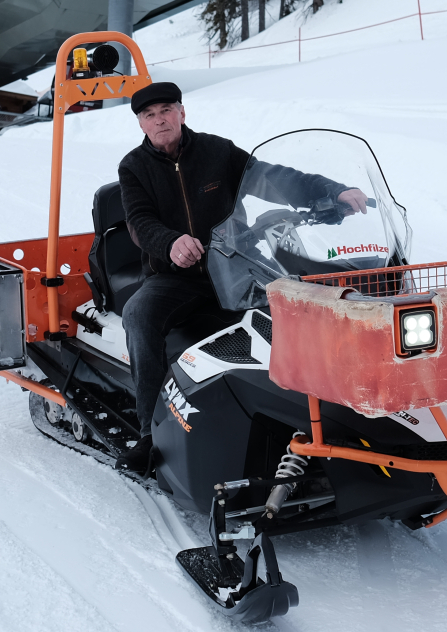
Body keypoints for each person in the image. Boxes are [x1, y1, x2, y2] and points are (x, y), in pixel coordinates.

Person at [115, 81, 368, 473]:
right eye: (149, 115)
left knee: (298, 307)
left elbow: (272, 178)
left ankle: (331, 412)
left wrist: (333, 190)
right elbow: (139, 221)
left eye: (166, 110)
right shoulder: (134, 167)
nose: (159, 119)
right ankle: (149, 434)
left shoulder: (217, 151)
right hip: (175, 276)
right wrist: (169, 243)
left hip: (233, 264)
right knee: (138, 315)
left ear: (182, 112)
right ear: (141, 124)